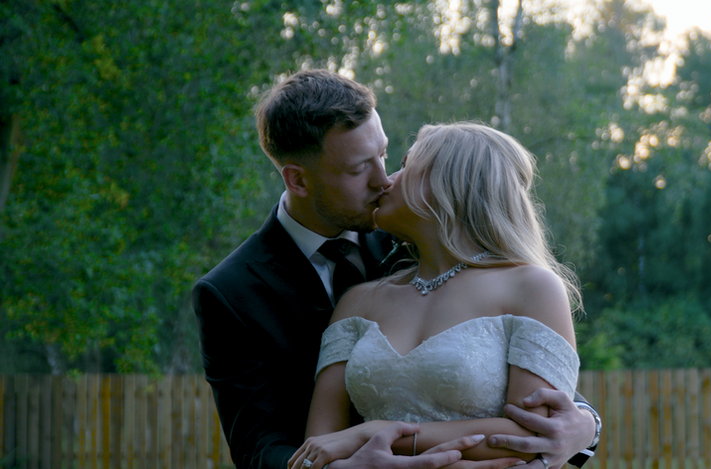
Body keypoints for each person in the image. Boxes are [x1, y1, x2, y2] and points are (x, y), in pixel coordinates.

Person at [192, 69, 601, 469]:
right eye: (357, 169)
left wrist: (586, 425)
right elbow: (257, 448)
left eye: (385, 155)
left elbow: (517, 387)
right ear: (297, 180)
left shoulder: (416, 235)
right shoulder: (231, 294)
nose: (383, 179)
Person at [287, 122, 589, 469]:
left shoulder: (533, 288)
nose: (387, 180)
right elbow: (318, 447)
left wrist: (377, 432)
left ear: (448, 182)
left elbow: (529, 438)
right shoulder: (356, 303)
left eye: (405, 165)